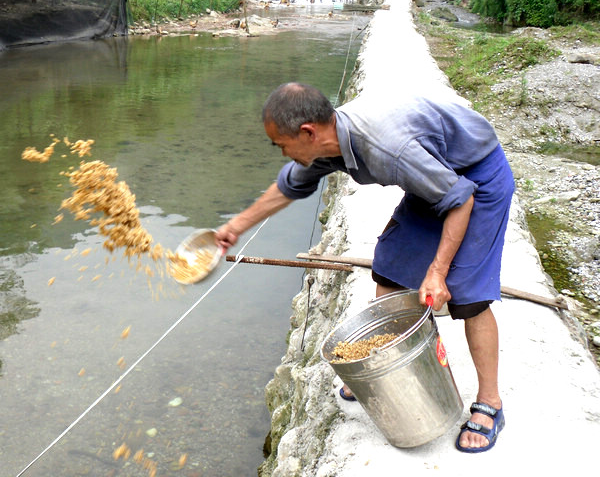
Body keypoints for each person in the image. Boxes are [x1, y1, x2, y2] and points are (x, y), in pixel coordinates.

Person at [215, 82, 515, 453]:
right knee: (390, 267)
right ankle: (389, 366)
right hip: (436, 178)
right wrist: (235, 227)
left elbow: (460, 200)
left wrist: (437, 271)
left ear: (307, 132)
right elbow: (289, 186)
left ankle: (491, 403)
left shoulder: (387, 148)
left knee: (468, 295)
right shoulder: (327, 146)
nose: (283, 153)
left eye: (281, 145)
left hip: (476, 180)